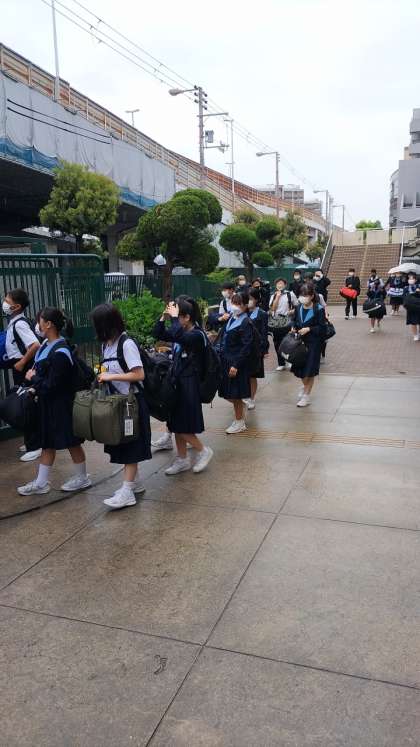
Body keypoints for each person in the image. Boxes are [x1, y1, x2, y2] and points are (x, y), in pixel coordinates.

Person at [17, 308, 90, 496]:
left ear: (48, 324)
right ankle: (41, 483)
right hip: (48, 404)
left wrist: (33, 379)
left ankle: (82, 477)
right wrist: (34, 386)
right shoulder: (45, 346)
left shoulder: (61, 351)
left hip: (62, 405)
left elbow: (53, 384)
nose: (37, 325)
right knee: (48, 443)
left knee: (72, 441)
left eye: (39, 321)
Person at [92, 304, 152, 509]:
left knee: (131, 447)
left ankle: (127, 492)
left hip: (131, 405)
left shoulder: (126, 344)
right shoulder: (106, 345)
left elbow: (139, 374)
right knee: (124, 444)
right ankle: (135, 484)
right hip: (117, 404)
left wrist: (110, 376)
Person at [152, 297, 213, 474]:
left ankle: (203, 451)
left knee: (182, 424)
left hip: (189, 384)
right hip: (178, 382)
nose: (176, 320)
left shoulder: (197, 335)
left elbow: (179, 337)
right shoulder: (183, 330)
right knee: (175, 423)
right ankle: (182, 459)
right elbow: (159, 334)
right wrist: (164, 317)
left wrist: (173, 318)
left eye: (178, 317)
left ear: (186, 317)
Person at [3, 287, 42, 462]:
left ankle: (36, 445)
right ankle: (31, 441)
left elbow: (35, 345)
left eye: (7, 301)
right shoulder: (15, 322)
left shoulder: (20, 324)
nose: (4, 304)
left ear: (17, 306)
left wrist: (21, 362)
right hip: (20, 368)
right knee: (24, 404)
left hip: (24, 368)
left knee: (27, 405)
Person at [218, 291, 254, 434]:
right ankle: (240, 414)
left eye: (238, 304)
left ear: (245, 305)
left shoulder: (246, 322)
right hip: (226, 359)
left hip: (236, 363)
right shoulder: (232, 317)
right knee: (228, 392)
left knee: (235, 394)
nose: (235, 306)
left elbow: (246, 346)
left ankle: (239, 422)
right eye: (233, 303)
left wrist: (235, 365)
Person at [291, 282, 326, 407]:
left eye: (306, 295)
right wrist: (293, 327)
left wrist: (309, 329)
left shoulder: (318, 309)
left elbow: (322, 328)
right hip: (300, 344)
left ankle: (306, 396)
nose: (303, 297)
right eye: (301, 294)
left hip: (314, 344)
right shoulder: (298, 308)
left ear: (311, 296)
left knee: (309, 371)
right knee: (301, 370)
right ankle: (305, 386)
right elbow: (294, 321)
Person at [244, 288, 269, 410]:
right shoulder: (243, 312)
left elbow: (264, 333)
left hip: (255, 349)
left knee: (252, 375)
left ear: (256, 299)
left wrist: (264, 350)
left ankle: (251, 398)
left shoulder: (262, 314)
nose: (248, 301)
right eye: (247, 298)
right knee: (244, 375)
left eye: (250, 299)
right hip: (243, 349)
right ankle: (244, 395)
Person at [269, 278, 298, 371]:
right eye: (278, 283)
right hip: (276, 322)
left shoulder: (290, 294)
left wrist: (292, 311)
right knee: (277, 343)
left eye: (281, 283)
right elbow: (273, 309)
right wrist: (277, 297)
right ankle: (281, 363)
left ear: (285, 285)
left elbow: (297, 305)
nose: (280, 285)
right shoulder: (273, 295)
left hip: (287, 320)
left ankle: (289, 360)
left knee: (288, 342)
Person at [403, 272, 420, 341]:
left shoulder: (419, 287)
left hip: (418, 306)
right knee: (413, 322)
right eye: (409, 279)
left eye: (412, 278)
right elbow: (404, 297)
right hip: (411, 307)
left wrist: (418, 292)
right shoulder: (406, 288)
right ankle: (415, 335)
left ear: (415, 280)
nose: (410, 280)